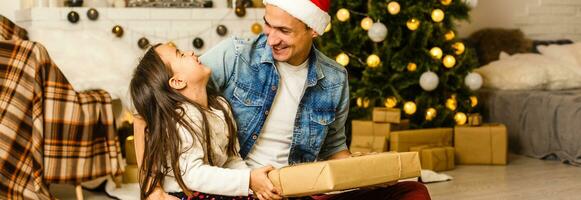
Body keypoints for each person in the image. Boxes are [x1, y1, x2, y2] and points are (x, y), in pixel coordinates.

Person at [141, 0, 431, 199]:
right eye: (268, 25)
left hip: (300, 188)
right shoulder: (236, 56)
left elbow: (334, 150)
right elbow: (154, 105)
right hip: (246, 189)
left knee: (412, 193)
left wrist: (372, 172)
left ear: (313, 29)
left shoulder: (334, 78)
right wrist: (151, 189)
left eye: (285, 31)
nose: (271, 39)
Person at [130, 43, 283, 200]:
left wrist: (252, 184)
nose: (190, 51)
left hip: (209, 189)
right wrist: (247, 180)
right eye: (181, 54)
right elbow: (193, 175)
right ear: (177, 81)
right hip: (184, 193)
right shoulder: (183, 118)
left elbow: (231, 159)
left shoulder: (220, 107)